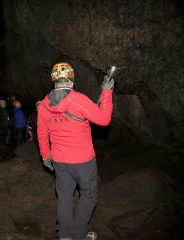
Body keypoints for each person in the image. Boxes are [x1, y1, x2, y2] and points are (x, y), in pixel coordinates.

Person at [37, 62, 114, 240]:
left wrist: (46, 156)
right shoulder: (78, 99)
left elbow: (42, 133)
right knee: (88, 195)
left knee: (64, 196)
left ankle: (65, 235)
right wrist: (107, 92)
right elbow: (103, 119)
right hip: (83, 161)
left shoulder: (43, 105)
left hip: (59, 161)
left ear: (53, 80)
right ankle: (79, 235)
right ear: (71, 78)